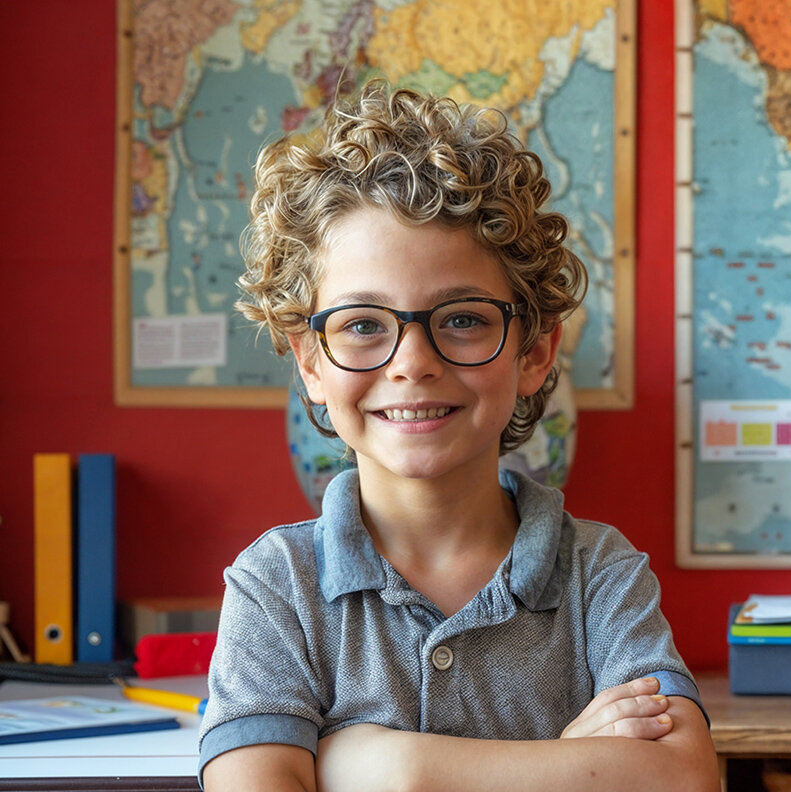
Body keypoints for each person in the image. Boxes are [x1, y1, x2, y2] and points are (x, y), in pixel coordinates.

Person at [198, 81, 719, 792]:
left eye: (464, 319)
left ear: (534, 353)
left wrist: (390, 765)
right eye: (361, 325)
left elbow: (685, 778)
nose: (412, 363)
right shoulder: (276, 586)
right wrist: (570, 764)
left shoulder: (599, 572)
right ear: (311, 361)